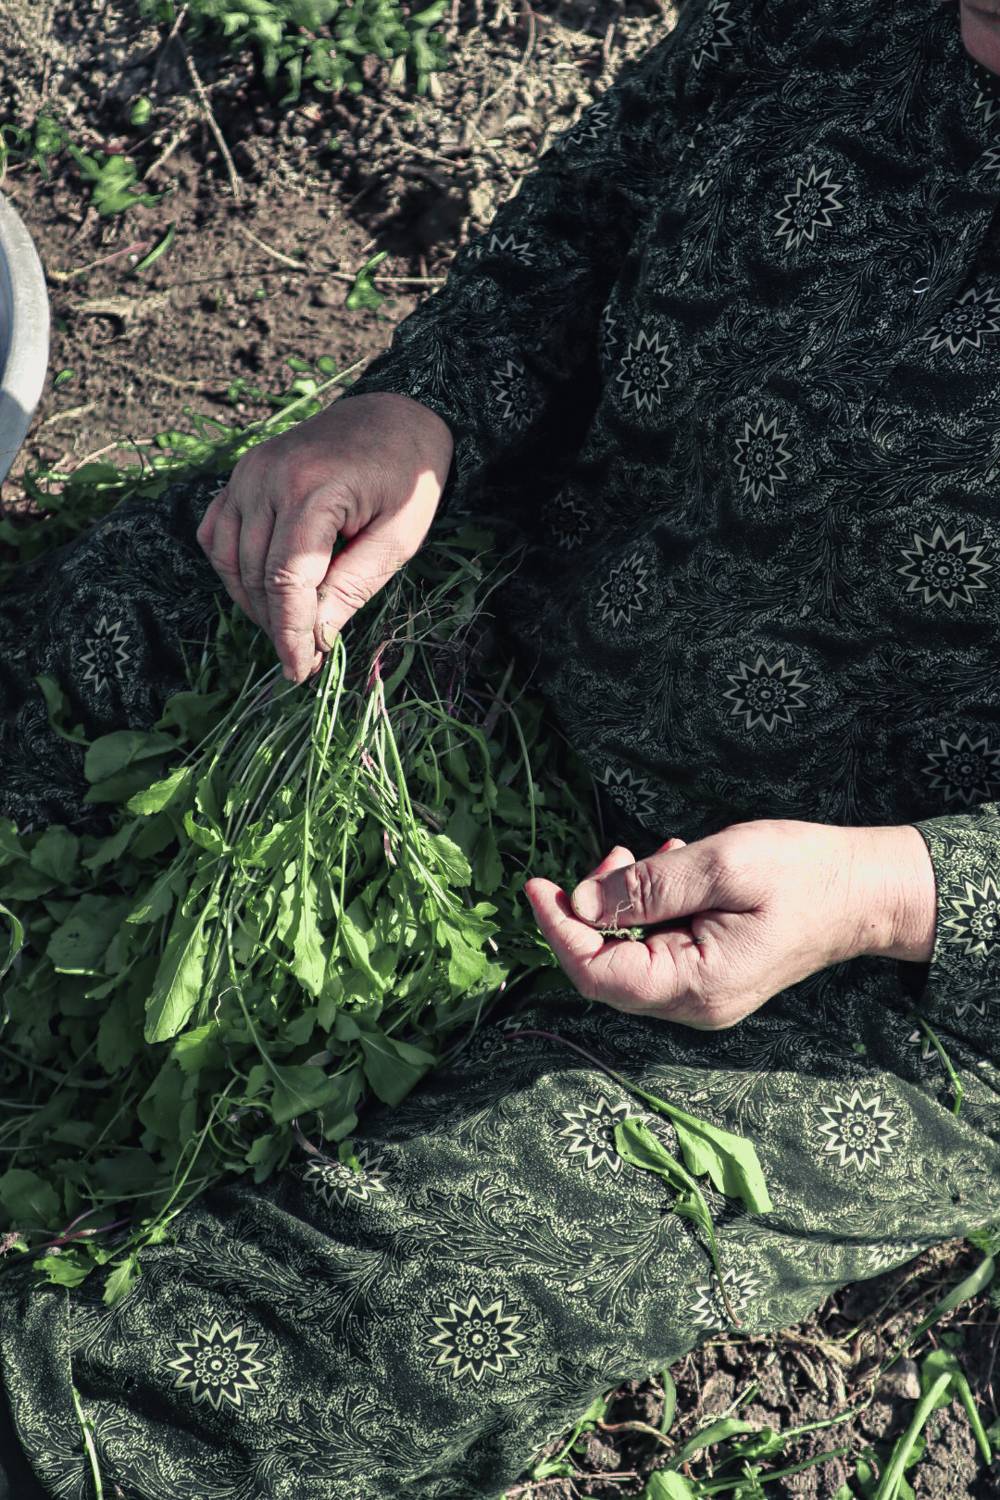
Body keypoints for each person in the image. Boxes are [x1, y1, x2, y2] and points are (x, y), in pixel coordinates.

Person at [1, 0, 1000, 1494]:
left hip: (882, 971)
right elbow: (590, 220)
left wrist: (887, 894)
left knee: (425, 1272)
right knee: (142, 606)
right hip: (530, 626)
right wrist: (417, 413)